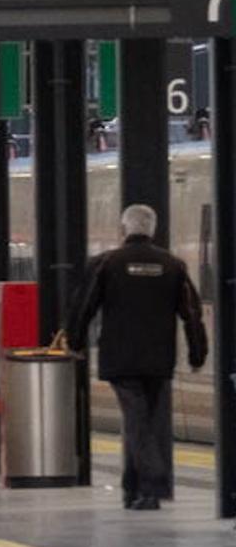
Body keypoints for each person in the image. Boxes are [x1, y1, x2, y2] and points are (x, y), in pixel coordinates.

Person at [66, 204, 207, 511]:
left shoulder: (107, 263)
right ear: (153, 230)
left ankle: (151, 486)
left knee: (137, 421)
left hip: (120, 359)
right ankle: (133, 489)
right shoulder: (173, 265)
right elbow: (192, 314)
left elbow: (83, 306)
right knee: (144, 420)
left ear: (123, 229)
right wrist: (198, 354)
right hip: (159, 359)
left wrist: (74, 343)